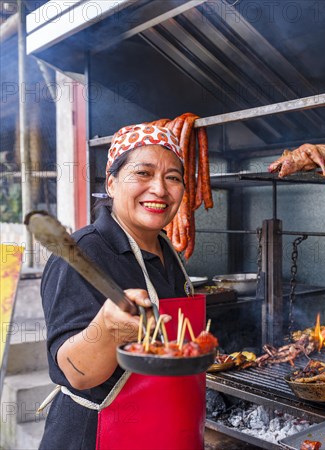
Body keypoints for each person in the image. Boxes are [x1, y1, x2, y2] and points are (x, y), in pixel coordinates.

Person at [39, 124, 205, 449]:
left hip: (168, 428)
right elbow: (76, 373)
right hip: (99, 434)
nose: (159, 188)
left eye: (173, 177)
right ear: (112, 183)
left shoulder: (167, 249)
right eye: (143, 173)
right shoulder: (81, 253)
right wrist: (109, 330)